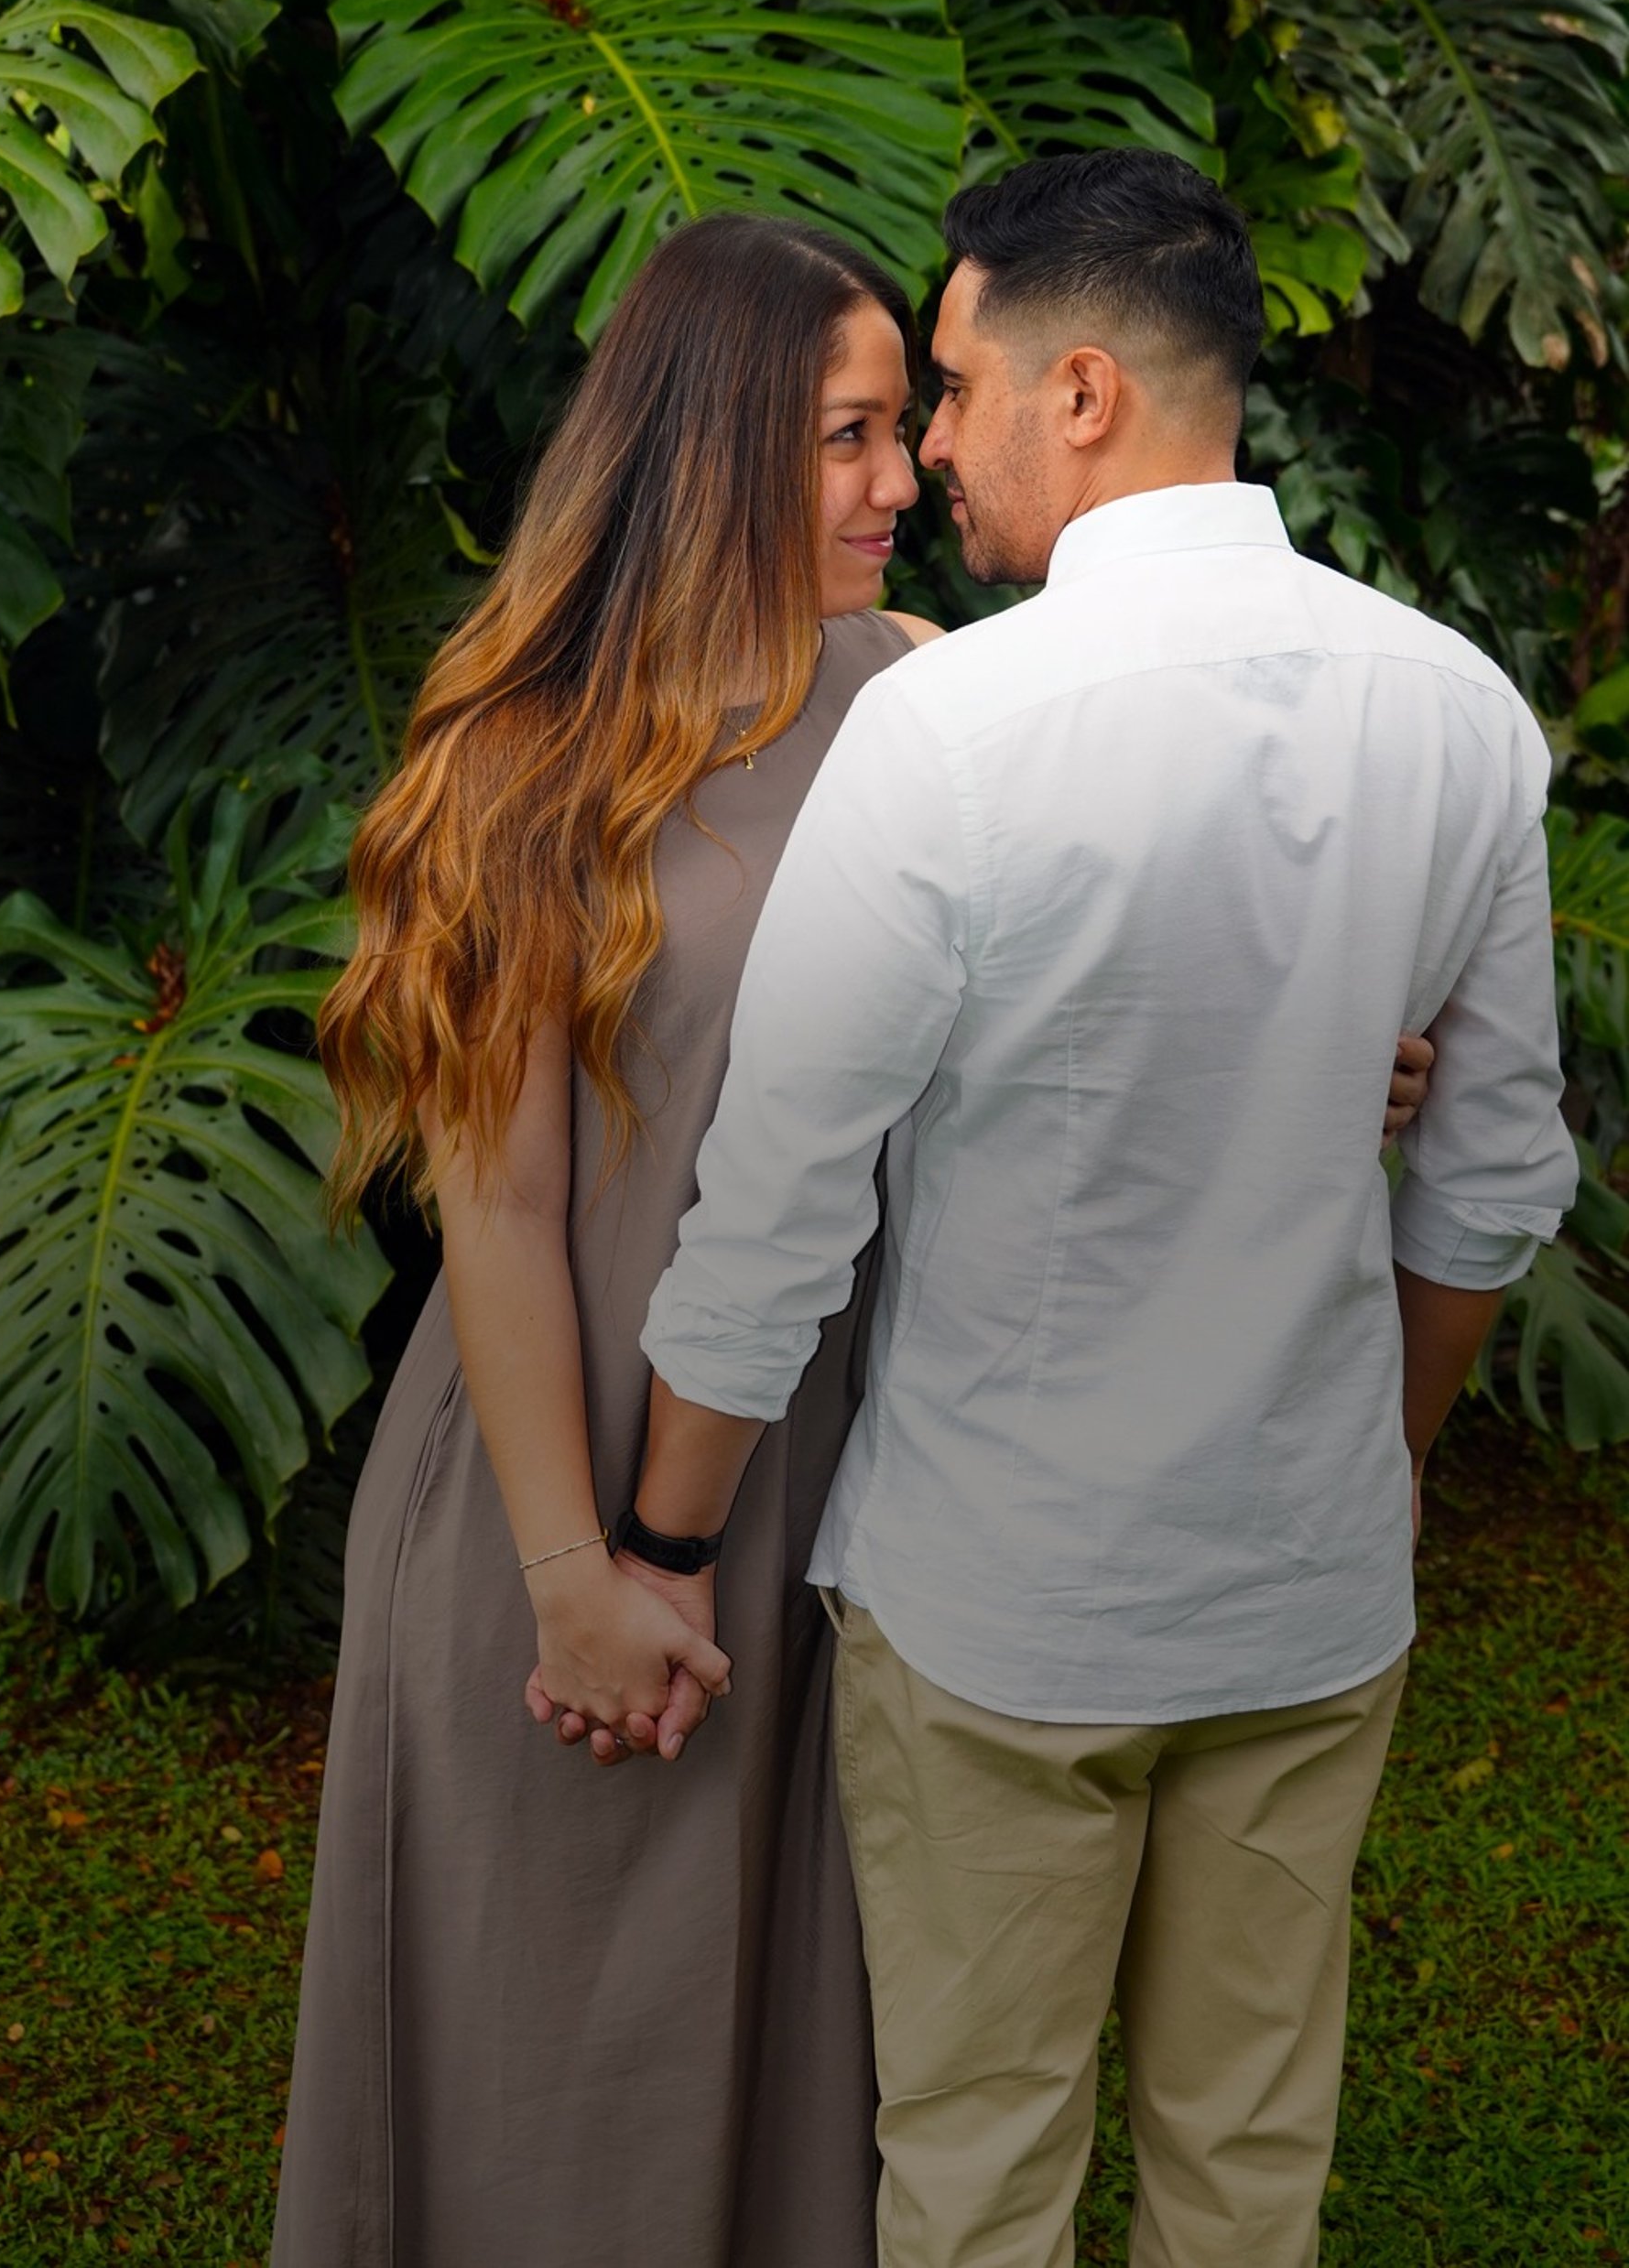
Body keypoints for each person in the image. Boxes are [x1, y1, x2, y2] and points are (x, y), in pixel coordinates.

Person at [271, 197, 1434, 2268]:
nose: (909, 482)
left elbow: (1124, 998)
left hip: (856, 1478)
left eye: (910, 427)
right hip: (571, 1463)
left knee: (827, 2040)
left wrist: (1354, 1065)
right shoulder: (518, 767)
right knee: (558, 2042)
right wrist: (575, 1571)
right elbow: (503, 1206)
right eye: (848, 435)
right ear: (705, 441)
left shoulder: (929, 692)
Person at [619, 151, 1578, 2268]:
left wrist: (664, 1540)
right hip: (1310, 1593)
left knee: (974, 2171)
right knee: (1250, 2166)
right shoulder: (1459, 714)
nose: (928, 444)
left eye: (948, 390)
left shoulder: (955, 729)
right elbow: (1493, 1179)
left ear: (1079, 391)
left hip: (1004, 1603)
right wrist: (1377, 1469)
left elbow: (779, 1208)